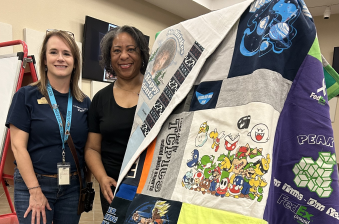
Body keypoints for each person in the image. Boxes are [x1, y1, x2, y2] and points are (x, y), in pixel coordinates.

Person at [6, 30, 91, 224]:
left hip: (71, 186)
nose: (60, 58)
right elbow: (18, 147)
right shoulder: (26, 96)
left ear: (75, 61)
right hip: (34, 183)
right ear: (44, 59)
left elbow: (88, 148)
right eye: (53, 52)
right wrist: (35, 190)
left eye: (67, 53)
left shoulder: (84, 102)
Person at [85, 25, 150, 215]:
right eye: (117, 51)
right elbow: (91, 148)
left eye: (131, 49)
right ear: (108, 57)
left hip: (151, 186)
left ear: (142, 54)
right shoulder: (100, 99)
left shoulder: (159, 94)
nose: (124, 56)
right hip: (114, 188)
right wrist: (102, 178)